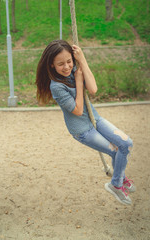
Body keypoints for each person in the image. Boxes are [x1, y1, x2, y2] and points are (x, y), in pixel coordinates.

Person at [36, 39, 136, 205]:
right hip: (82, 130)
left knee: (126, 144)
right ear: (52, 65)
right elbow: (78, 110)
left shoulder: (74, 69)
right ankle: (116, 184)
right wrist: (78, 81)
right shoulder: (57, 87)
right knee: (115, 150)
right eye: (61, 64)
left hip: (95, 118)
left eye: (69, 61)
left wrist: (82, 60)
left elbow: (93, 89)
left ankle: (118, 179)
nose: (67, 67)